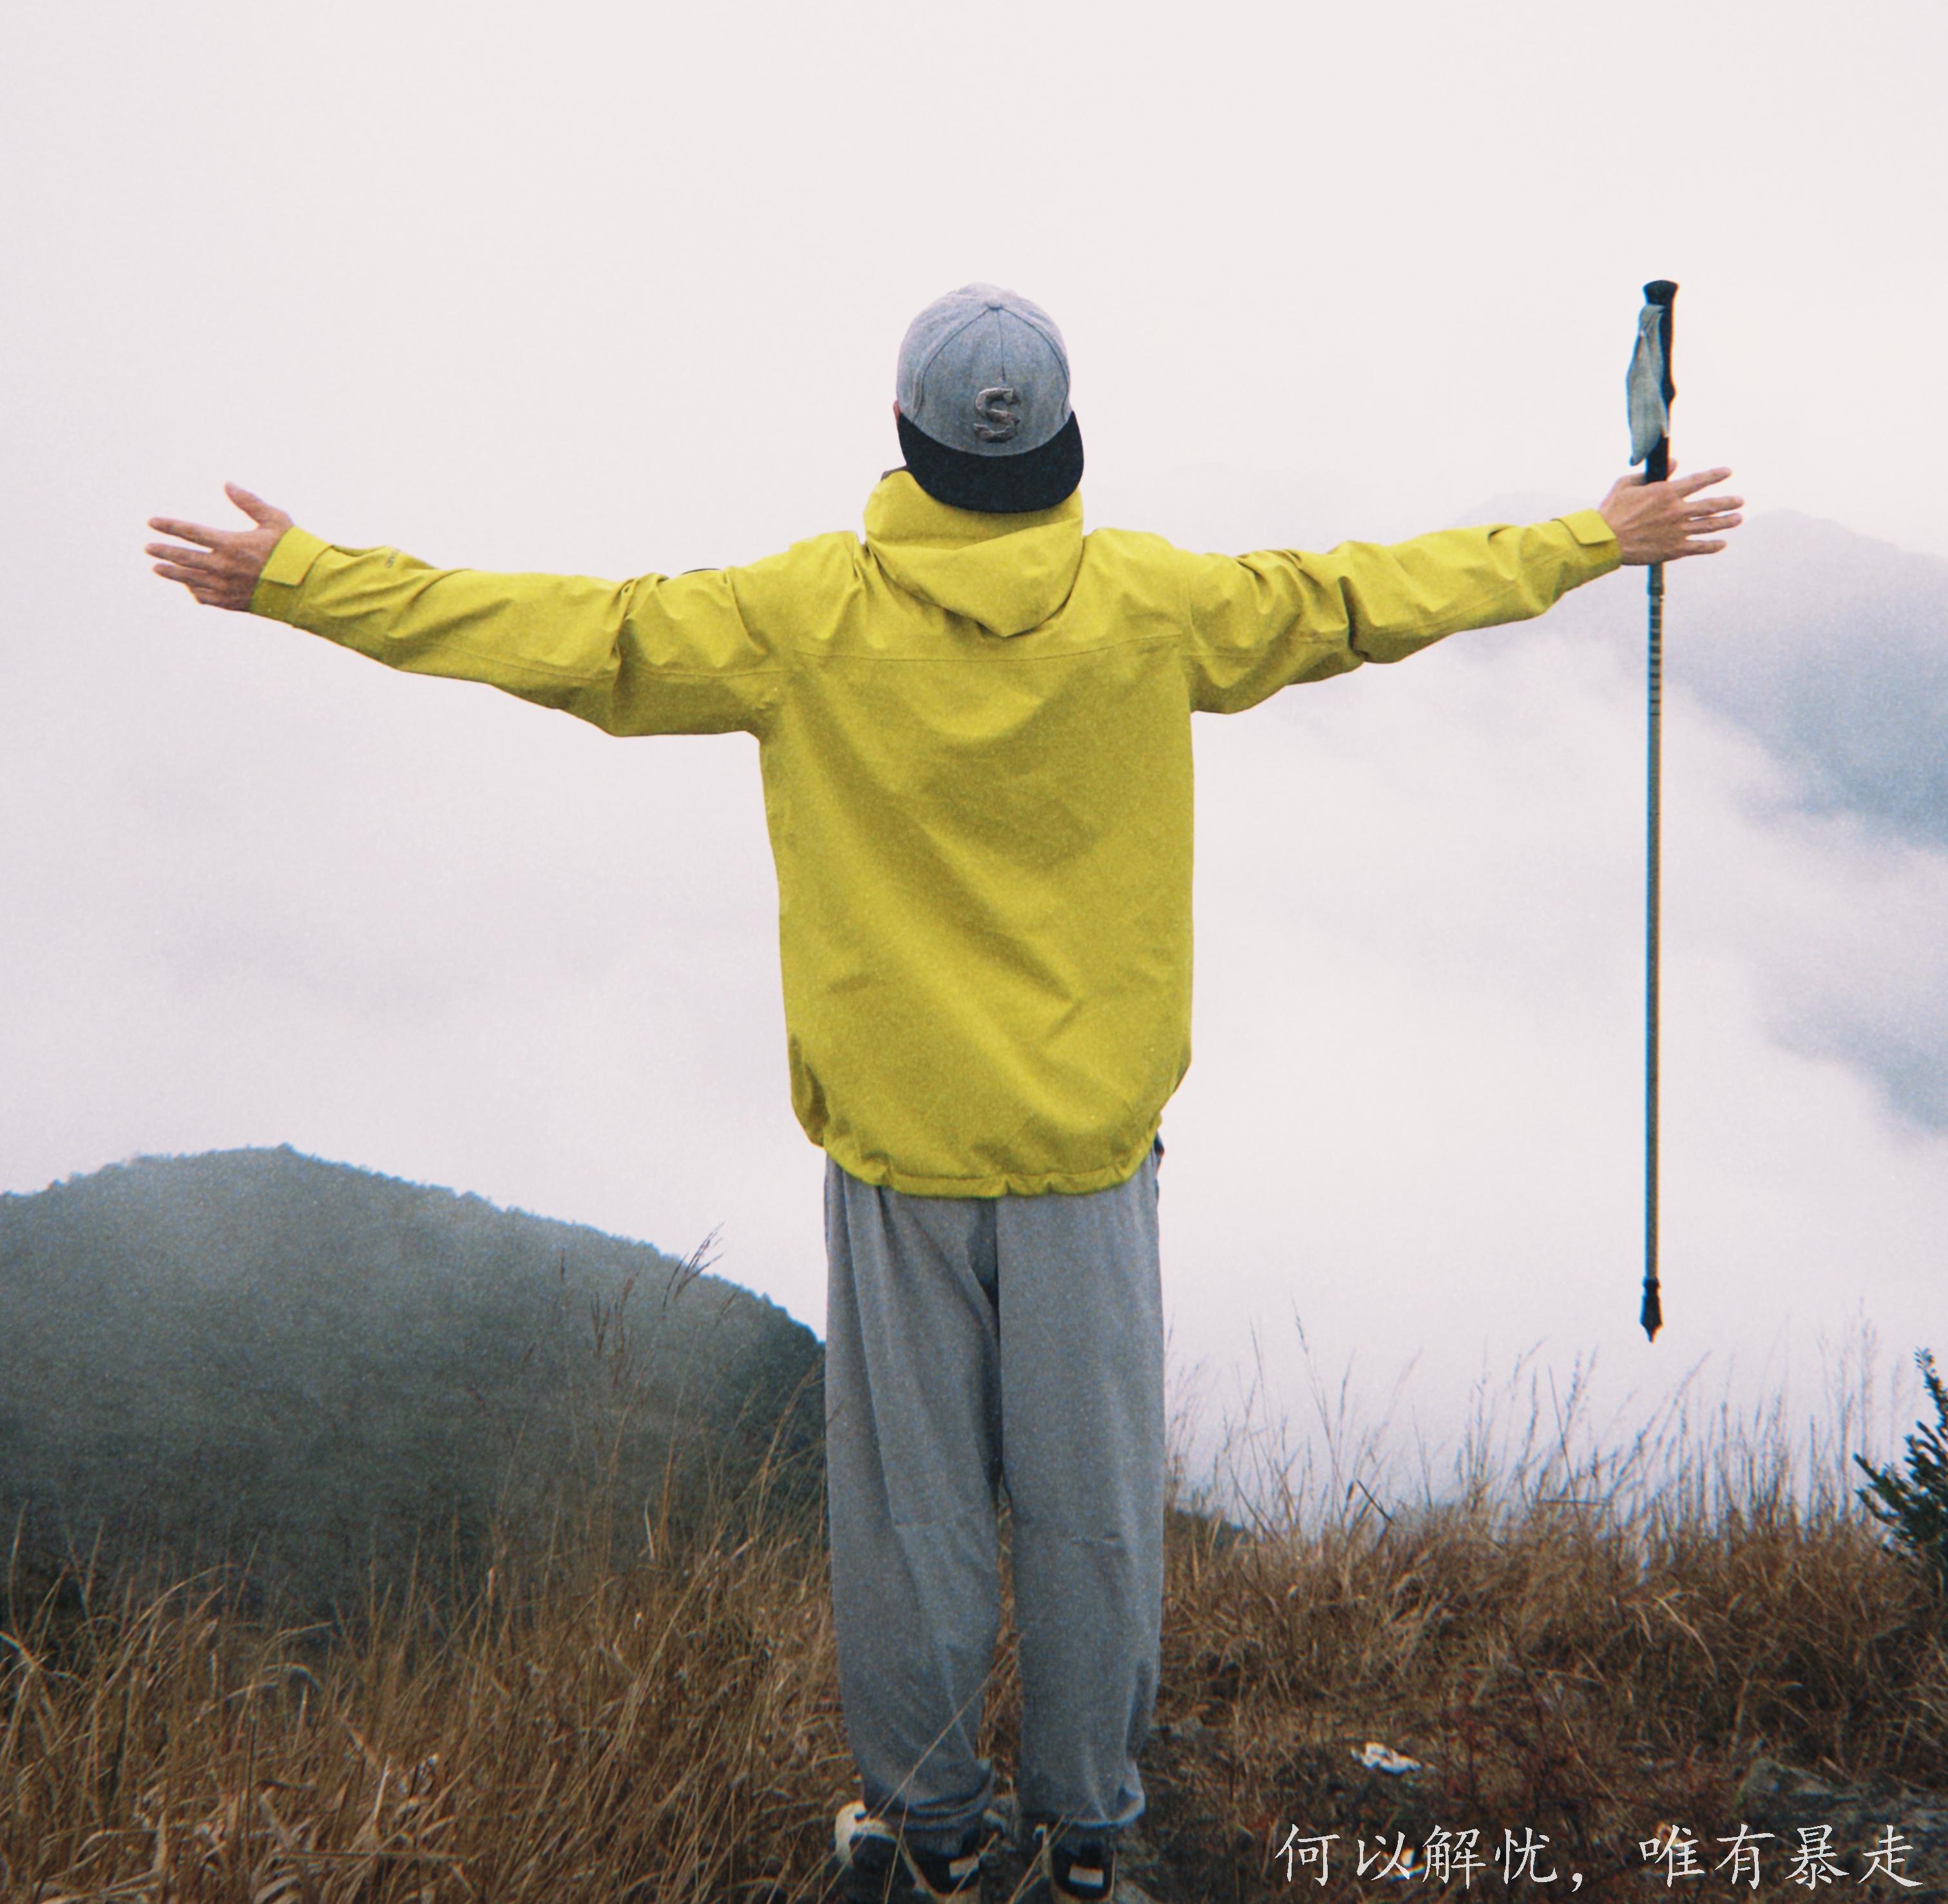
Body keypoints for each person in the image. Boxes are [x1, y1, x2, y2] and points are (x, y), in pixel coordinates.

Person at [147, 281, 1741, 1904]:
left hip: (901, 1159)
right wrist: (1594, 538)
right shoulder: (1157, 604)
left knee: (917, 1516)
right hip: (1088, 1160)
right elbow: (1365, 595)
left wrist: (300, 579)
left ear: (908, 445)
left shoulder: (798, 615)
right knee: (1092, 1512)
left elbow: (568, 634)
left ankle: (931, 1836)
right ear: (1062, 446)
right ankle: (1090, 1835)